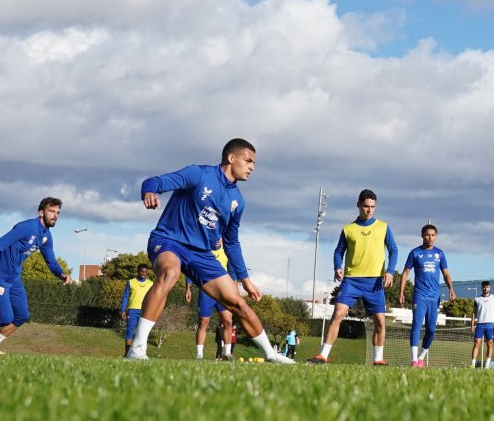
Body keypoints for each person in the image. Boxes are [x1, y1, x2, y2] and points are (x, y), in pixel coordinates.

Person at [126, 138, 293, 363]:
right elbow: (154, 181)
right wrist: (149, 192)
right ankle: (137, 348)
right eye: (248, 161)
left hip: (202, 254)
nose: (252, 167)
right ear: (231, 158)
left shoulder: (237, 201)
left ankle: (271, 355)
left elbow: (231, 243)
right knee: (171, 273)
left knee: (237, 303)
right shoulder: (199, 174)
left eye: (254, 163)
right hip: (169, 241)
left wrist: (245, 279)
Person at [310, 189, 398, 366]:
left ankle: (378, 359)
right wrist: (337, 266)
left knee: (380, 321)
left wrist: (390, 271)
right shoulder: (348, 229)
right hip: (352, 280)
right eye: (366, 206)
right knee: (338, 314)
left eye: (372, 207)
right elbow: (338, 251)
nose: (369, 210)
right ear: (358, 205)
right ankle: (323, 355)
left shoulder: (383, 227)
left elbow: (394, 250)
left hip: (375, 282)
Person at [0, 198, 72, 354]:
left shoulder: (47, 236)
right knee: (5, 319)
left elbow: (51, 261)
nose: (55, 215)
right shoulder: (26, 227)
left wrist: (61, 274)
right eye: (51, 211)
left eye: (58, 212)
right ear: (41, 213)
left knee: (22, 315)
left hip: (14, 278)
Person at [397, 222, 455, 367]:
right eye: (427, 235)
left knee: (431, 329)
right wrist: (401, 292)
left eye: (433, 235)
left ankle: (421, 357)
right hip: (420, 295)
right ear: (422, 235)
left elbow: (446, 273)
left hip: (434, 297)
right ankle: (413, 360)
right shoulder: (415, 253)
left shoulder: (440, 254)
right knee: (416, 325)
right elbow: (405, 273)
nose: (430, 238)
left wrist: (451, 289)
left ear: (436, 237)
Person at [184, 249, 235, 361]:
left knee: (228, 321)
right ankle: (199, 355)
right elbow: (191, 268)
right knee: (203, 322)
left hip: (223, 291)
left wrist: (235, 289)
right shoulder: (203, 248)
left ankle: (227, 354)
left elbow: (232, 270)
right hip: (206, 290)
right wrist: (188, 288)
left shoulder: (226, 250)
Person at [120, 263, 154, 357]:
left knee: (143, 333)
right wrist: (123, 310)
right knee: (130, 332)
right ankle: (127, 354)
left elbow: (153, 298)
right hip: (132, 311)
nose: (143, 273)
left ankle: (142, 353)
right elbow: (126, 296)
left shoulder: (151, 283)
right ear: (138, 271)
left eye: (145, 272)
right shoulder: (131, 282)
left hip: (145, 311)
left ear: (147, 273)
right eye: (141, 271)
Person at [471, 280, 494, 368]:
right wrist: (472, 324)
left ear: (489, 287)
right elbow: (474, 313)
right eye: (484, 287)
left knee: (489, 344)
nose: (486, 288)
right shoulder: (477, 299)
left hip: (490, 324)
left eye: (487, 287)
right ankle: (473, 364)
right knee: (476, 343)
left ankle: (487, 364)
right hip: (480, 324)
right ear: (481, 288)